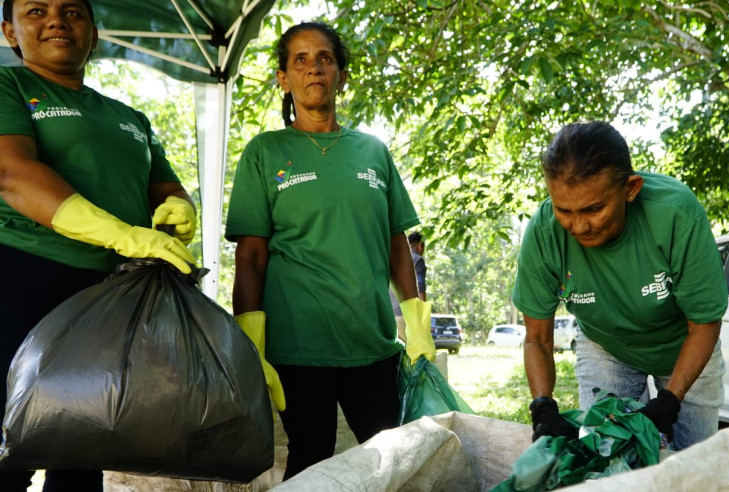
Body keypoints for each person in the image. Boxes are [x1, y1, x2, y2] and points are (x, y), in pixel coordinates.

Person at [225, 21, 435, 480]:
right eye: (300, 59)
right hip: (298, 346)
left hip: (372, 342)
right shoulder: (265, 152)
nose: (314, 68)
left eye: (325, 58)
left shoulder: (373, 151)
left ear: (341, 74)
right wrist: (250, 340)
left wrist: (416, 320)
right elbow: (251, 255)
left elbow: (397, 242)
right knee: (310, 462)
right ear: (284, 79)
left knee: (391, 461)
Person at [0, 1, 197, 490]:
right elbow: (11, 173)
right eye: (36, 10)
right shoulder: (10, 86)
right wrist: (122, 234)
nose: (55, 21)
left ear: (94, 33)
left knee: (83, 447)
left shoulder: (130, 118)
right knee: (6, 446)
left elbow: (163, 188)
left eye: (72, 12)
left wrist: (180, 205)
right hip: (19, 279)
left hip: (105, 297)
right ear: (9, 32)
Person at [512, 121, 728, 451]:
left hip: (684, 346)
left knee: (696, 463)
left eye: (594, 209)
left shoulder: (676, 215)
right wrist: (542, 407)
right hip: (606, 347)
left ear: (631, 189)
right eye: (563, 210)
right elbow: (538, 338)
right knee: (606, 456)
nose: (578, 226)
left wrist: (669, 402)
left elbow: (704, 324)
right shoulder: (544, 232)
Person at [408, 231, 427, 301]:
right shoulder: (418, 260)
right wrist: (422, 309)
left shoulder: (397, 258)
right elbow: (420, 286)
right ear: (420, 245)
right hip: (409, 307)